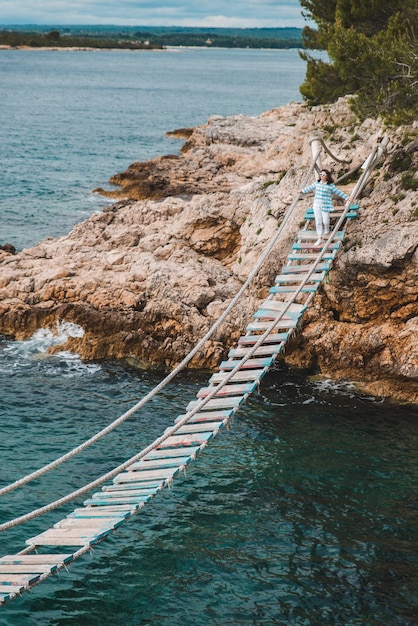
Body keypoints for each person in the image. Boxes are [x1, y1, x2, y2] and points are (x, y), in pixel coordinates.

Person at [301, 169, 349, 246]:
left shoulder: (330, 186)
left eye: (324, 175)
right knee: (318, 221)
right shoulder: (317, 183)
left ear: (327, 176)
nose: (322, 176)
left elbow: (338, 192)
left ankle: (327, 228)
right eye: (321, 174)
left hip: (325, 205)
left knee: (325, 220)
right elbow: (310, 188)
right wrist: (302, 191)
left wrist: (347, 197)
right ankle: (320, 237)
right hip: (317, 204)